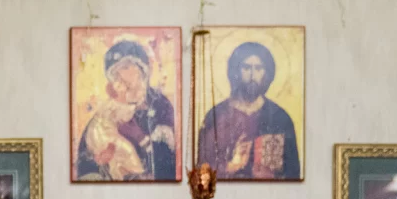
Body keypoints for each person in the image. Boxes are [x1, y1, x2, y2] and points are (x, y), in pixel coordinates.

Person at [195, 41, 300, 180]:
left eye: (258, 68)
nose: (252, 75)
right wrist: (230, 167)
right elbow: (202, 170)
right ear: (235, 71)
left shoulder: (280, 118)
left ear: (267, 73)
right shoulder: (216, 115)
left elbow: (293, 173)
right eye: (246, 68)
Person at [75, 38, 177, 181]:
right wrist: (99, 159)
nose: (119, 75)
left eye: (124, 67)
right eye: (114, 72)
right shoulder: (108, 111)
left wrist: (140, 137)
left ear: (142, 69)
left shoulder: (160, 106)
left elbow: (169, 165)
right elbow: (84, 162)